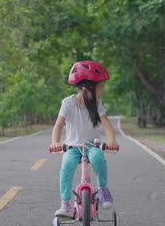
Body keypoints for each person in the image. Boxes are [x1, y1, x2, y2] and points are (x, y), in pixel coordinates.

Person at [50, 60, 118, 217]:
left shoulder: (97, 104)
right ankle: (65, 204)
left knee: (98, 157)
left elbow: (106, 124)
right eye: (100, 87)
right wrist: (55, 142)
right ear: (88, 88)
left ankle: (103, 190)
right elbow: (58, 125)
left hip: (92, 145)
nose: (101, 91)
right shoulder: (68, 103)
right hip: (72, 147)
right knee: (66, 166)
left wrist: (112, 140)